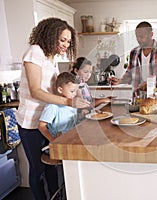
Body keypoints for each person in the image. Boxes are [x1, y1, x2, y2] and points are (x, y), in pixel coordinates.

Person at [16, 17, 90, 200]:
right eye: (62, 40)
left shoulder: (51, 59)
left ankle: (56, 198)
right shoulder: (34, 52)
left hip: (48, 121)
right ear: (50, 35)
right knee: (38, 168)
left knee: (51, 166)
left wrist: (77, 97)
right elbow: (35, 91)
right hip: (31, 123)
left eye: (68, 42)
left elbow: (59, 89)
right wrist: (68, 103)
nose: (66, 45)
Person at [110, 21, 157, 94]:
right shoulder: (134, 52)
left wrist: (152, 83)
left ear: (151, 34)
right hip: (138, 96)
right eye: (137, 36)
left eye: (141, 37)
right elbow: (129, 74)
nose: (138, 39)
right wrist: (120, 81)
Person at [38, 72, 84, 142]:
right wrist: (53, 140)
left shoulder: (72, 104)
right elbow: (41, 126)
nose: (74, 94)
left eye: (75, 91)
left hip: (72, 137)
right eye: (72, 91)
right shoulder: (52, 107)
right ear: (60, 90)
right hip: (60, 141)